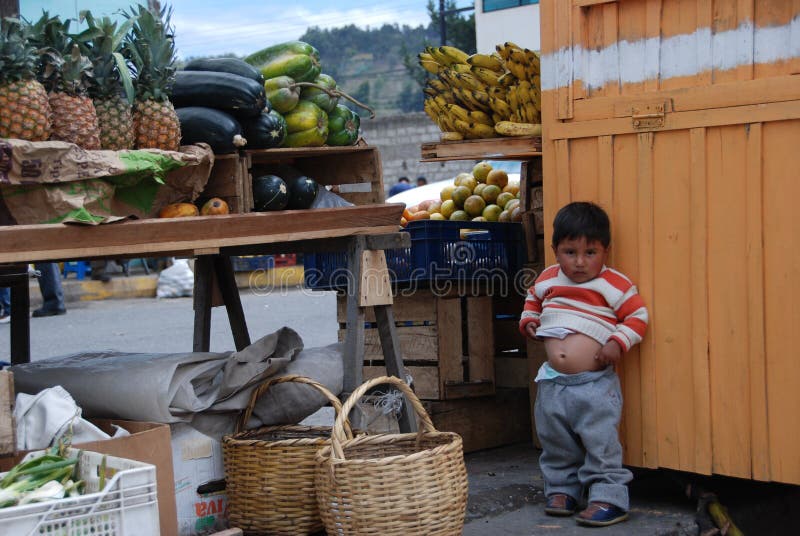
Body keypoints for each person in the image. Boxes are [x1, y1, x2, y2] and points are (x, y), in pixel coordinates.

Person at [519, 201, 648, 527]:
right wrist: (530, 318)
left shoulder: (613, 283)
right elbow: (533, 297)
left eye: (590, 253)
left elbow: (637, 316)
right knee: (555, 441)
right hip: (552, 382)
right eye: (569, 252)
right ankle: (563, 489)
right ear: (555, 250)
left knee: (600, 443)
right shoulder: (549, 277)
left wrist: (618, 342)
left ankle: (609, 498)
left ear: (605, 250)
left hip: (594, 384)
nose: (579, 262)